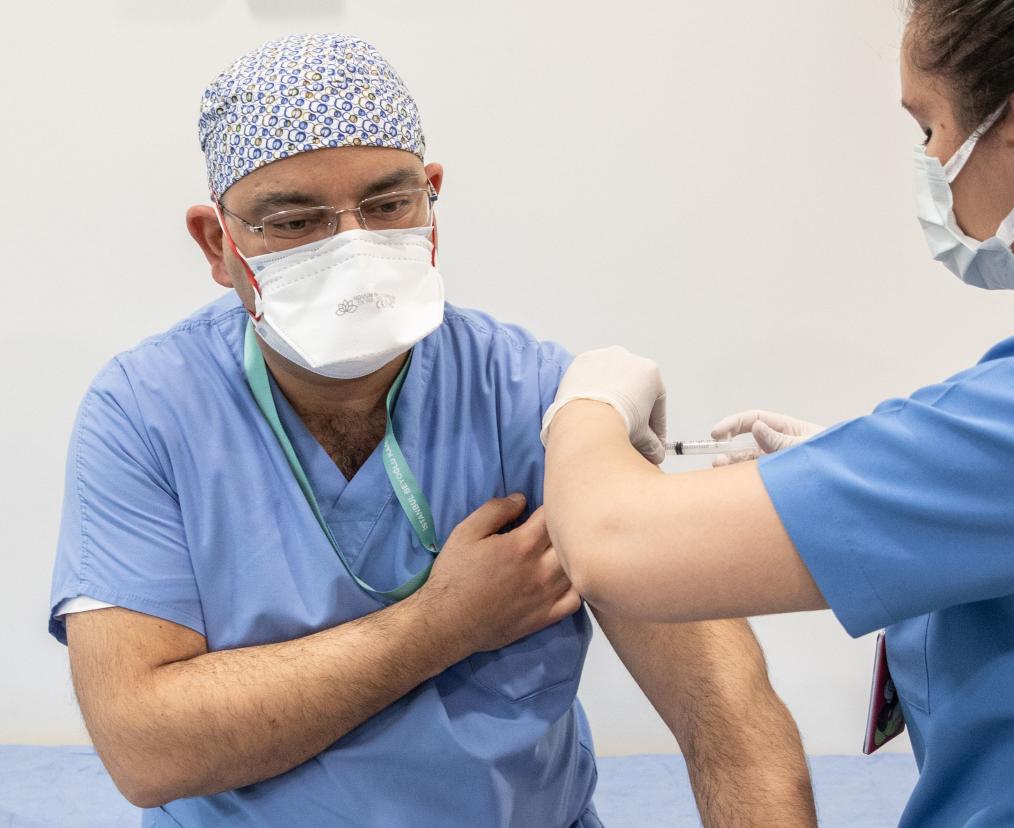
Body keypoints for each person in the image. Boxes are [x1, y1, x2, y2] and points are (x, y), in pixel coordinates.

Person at [48, 34, 815, 827]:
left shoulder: (538, 401)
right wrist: (444, 625)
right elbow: (144, 747)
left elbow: (727, 711)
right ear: (220, 244)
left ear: (432, 200)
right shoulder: (146, 414)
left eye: (387, 206)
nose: (353, 248)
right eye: (295, 220)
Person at [541, 1, 1014, 824]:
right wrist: (874, 483)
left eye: (932, 129)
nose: (932, 162)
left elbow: (615, 547)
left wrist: (588, 396)